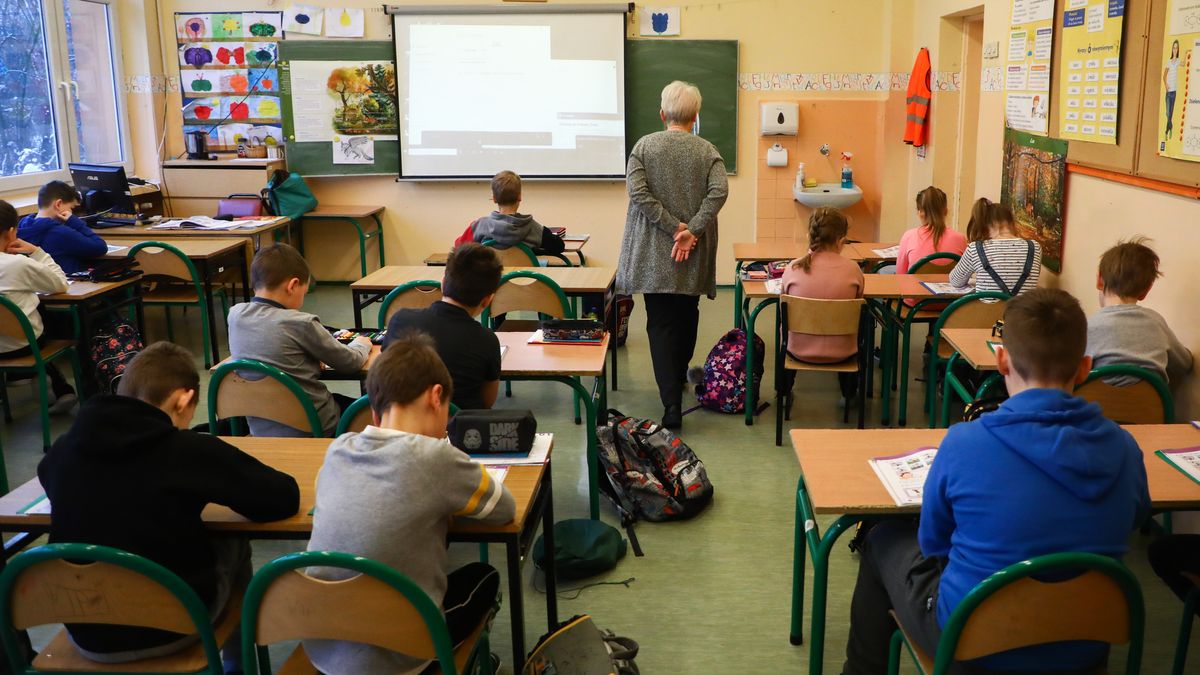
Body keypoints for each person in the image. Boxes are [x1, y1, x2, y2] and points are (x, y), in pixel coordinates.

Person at [841, 288, 1150, 674]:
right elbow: (1135, 518)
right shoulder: (1124, 447)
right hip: (1084, 647)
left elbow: (934, 542)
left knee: (881, 538)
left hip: (972, 639)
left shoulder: (964, 443)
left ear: (1001, 359)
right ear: (1086, 367)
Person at [38, 341, 299, 670]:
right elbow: (281, 498)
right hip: (175, 624)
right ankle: (238, 666)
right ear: (184, 400)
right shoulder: (187, 450)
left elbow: (47, 476)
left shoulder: (65, 448)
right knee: (234, 540)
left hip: (85, 627)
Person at [305, 333, 514, 675]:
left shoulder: (338, 449)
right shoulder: (437, 457)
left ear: (375, 410)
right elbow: (504, 509)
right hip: (402, 655)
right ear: (436, 397)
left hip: (324, 647)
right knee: (484, 577)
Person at [616, 80, 728, 429]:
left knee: (660, 323)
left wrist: (671, 227)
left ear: (662, 114)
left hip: (653, 252)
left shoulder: (644, 147)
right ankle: (678, 377)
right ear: (695, 116)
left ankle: (670, 405)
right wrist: (690, 231)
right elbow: (719, 192)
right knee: (687, 314)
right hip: (692, 252)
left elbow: (638, 192)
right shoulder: (708, 150)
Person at [226, 243, 370, 436]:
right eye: (304, 291)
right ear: (293, 285)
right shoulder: (301, 323)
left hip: (261, 426)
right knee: (370, 409)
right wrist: (361, 344)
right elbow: (350, 362)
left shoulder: (235, 315)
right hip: (314, 424)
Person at [383, 243, 502, 410]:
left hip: (403, 426)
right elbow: (487, 401)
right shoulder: (487, 340)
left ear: (443, 283)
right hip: (460, 430)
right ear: (487, 300)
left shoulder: (400, 320)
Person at [0, 199, 76, 413]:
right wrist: (36, 252)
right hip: (23, 345)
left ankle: (26, 378)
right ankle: (64, 389)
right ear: (11, 232)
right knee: (50, 316)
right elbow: (60, 284)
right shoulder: (18, 264)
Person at [779, 207, 863, 399]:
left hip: (797, 349)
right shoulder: (853, 270)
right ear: (841, 241)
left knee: (785, 323)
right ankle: (849, 394)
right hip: (844, 351)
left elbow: (782, 308)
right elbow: (857, 307)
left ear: (810, 235)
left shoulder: (793, 268)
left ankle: (784, 391)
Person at [1087, 237, 1193, 386]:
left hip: (1098, 409)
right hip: (1153, 409)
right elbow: (1185, 364)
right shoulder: (1156, 322)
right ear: (1146, 291)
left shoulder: (1087, 327)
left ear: (1099, 280)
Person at [455, 170, 565, 255]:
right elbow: (559, 246)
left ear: (494, 199)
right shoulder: (533, 227)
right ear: (520, 197)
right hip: (523, 282)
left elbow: (458, 246)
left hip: (490, 282)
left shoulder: (480, 225)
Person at [948, 201, 1042, 296]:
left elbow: (955, 281)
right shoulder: (1034, 247)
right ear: (1012, 222)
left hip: (985, 310)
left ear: (984, 225)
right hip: (1023, 310)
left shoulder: (975, 248)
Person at [17, 180, 107, 274]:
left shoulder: (23, 225)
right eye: (71, 208)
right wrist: (75, 222)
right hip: (70, 283)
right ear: (58, 204)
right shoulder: (60, 233)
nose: (72, 213)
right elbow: (100, 247)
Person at [895, 186, 966, 275]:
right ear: (946, 211)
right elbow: (965, 274)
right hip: (949, 288)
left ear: (920, 213)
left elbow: (900, 275)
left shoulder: (909, 236)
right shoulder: (961, 239)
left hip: (914, 288)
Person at [1164, 40, 1180, 140]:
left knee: (1171, 113)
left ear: (1178, 49)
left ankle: (1167, 130)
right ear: (1172, 49)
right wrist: (1166, 85)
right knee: (1167, 113)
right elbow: (1164, 75)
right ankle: (1171, 126)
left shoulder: (1178, 61)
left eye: (1176, 48)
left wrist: (1188, 52)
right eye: (1174, 47)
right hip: (1168, 92)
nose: (1175, 49)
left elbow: (1184, 63)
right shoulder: (1169, 62)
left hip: (1174, 92)